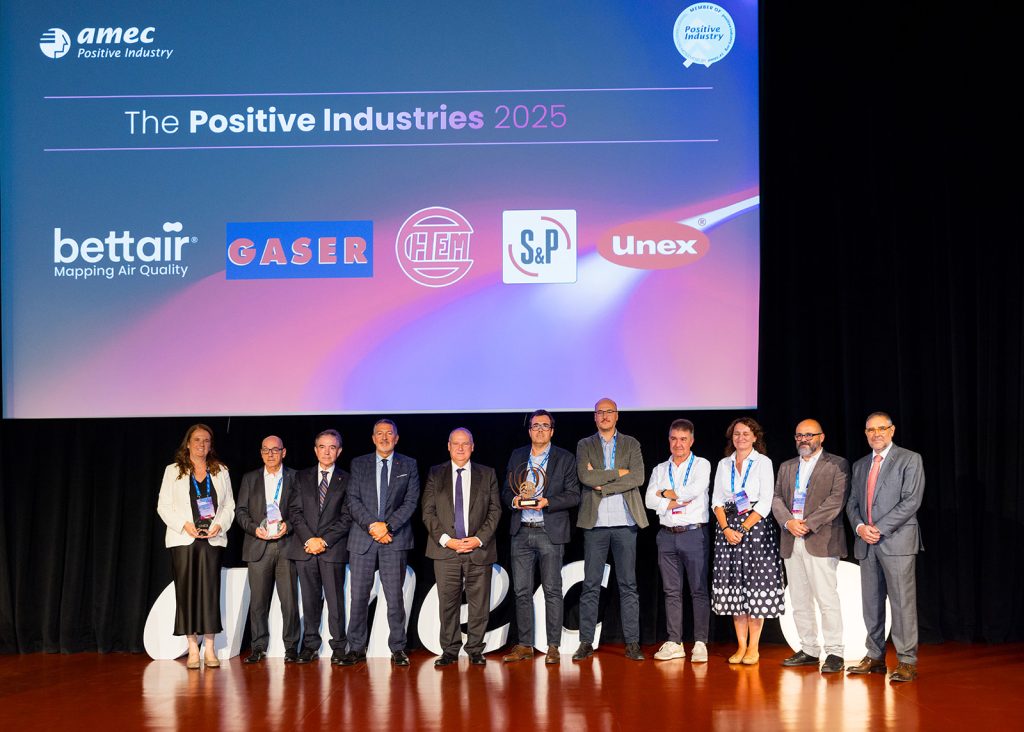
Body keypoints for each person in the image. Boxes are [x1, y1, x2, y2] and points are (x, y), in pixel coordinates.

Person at [846, 411, 925, 683]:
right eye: (871, 430)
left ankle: (906, 660)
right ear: (865, 433)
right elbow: (852, 503)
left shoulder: (909, 459)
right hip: (866, 543)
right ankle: (875, 656)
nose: (876, 434)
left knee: (902, 603)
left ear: (892, 431)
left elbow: (911, 501)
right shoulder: (859, 465)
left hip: (896, 541)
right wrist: (860, 527)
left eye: (881, 428)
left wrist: (878, 528)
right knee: (871, 603)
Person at [501, 410, 581, 665]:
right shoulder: (517, 455)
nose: (540, 430)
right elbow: (505, 491)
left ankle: (553, 646)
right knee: (521, 591)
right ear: (529, 430)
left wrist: (548, 502)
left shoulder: (565, 458)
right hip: (521, 531)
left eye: (545, 426)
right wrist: (514, 501)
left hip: (549, 531)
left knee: (552, 590)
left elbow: (574, 495)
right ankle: (525, 645)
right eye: (536, 426)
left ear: (552, 431)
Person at [771, 419, 849, 673]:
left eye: (809, 435)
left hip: (820, 539)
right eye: (799, 435)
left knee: (826, 599)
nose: (803, 439)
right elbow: (776, 498)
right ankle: (809, 649)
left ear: (821, 437)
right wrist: (788, 522)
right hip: (791, 538)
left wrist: (807, 524)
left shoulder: (837, 464)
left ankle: (835, 652)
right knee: (799, 599)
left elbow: (836, 501)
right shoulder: (786, 466)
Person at [341, 419, 421, 667]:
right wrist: (373, 526)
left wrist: (388, 526)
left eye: (389, 433)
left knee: (394, 597)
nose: (384, 437)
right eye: (379, 433)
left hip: (394, 538)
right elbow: (352, 500)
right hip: (362, 538)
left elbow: (411, 501)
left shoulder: (408, 464)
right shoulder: (359, 463)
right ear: (373, 438)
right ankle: (356, 647)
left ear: (396, 438)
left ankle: (398, 648)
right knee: (358, 597)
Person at [574, 397, 648, 662]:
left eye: (609, 411)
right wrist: (619, 473)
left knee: (628, 585)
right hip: (595, 525)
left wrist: (603, 484)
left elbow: (638, 477)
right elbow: (585, 476)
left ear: (617, 415)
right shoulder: (584, 444)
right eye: (600, 412)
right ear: (595, 417)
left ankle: (632, 643)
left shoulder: (631, 443)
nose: (605, 415)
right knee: (591, 585)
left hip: (625, 524)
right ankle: (586, 642)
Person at [157, 423, 235, 669]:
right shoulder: (173, 471)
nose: (202, 444)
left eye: (206, 440)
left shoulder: (221, 470)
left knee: (210, 593)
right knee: (187, 593)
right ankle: (192, 648)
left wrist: (220, 525)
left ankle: (209, 648)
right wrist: (184, 525)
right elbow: (163, 506)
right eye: (197, 440)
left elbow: (229, 505)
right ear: (188, 443)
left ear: (211, 445)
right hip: (184, 539)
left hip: (212, 539)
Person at [422, 428, 501, 667]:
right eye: (455, 443)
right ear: (448, 446)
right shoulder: (436, 473)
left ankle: (475, 649)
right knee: (448, 604)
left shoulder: (487, 473)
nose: (460, 448)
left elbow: (495, 510)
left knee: (479, 604)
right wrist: (447, 540)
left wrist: (478, 539)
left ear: (472, 447)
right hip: (446, 550)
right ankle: (449, 650)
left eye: (465, 443)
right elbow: (428, 512)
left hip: (478, 549)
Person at [711, 417, 785, 665]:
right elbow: (716, 500)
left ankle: (754, 647)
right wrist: (725, 528)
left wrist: (743, 528)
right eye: (736, 434)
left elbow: (765, 501)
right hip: (727, 529)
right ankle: (741, 646)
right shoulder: (724, 464)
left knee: (755, 587)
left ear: (755, 437)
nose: (740, 437)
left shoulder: (763, 462)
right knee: (735, 588)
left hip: (756, 529)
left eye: (745, 433)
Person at [644, 419, 711, 663]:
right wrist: (671, 500)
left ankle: (701, 642)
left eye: (683, 439)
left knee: (698, 590)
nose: (678, 444)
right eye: (674, 439)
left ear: (691, 440)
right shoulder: (660, 469)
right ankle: (675, 642)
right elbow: (649, 500)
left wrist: (663, 495)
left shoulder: (701, 464)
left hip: (694, 534)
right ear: (669, 440)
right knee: (671, 591)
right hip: (666, 535)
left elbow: (693, 491)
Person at [286, 429, 352, 665]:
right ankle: (310, 646)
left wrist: (323, 541)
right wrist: (309, 539)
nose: (327, 452)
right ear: (315, 450)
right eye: (322, 447)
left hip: (332, 549)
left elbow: (347, 516)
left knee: (335, 601)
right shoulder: (301, 477)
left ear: (339, 451)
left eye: (332, 447)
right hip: (305, 549)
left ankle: (339, 646)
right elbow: (294, 511)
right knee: (309, 600)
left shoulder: (347, 478)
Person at [235, 435, 300, 663]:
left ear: (284, 452)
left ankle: (291, 647)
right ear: (261, 452)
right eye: (266, 450)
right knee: (258, 603)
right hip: (258, 545)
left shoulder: (295, 477)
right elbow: (240, 511)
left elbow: (300, 511)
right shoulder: (250, 478)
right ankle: (258, 647)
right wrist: (255, 529)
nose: (270, 454)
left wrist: (288, 526)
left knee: (289, 602)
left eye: (275, 450)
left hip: (286, 546)